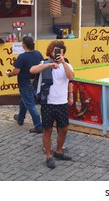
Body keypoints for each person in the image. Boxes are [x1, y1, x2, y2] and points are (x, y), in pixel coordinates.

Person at [30, 40, 74, 169]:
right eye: (55, 51)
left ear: (63, 53)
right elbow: (32, 70)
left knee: (64, 129)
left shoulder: (67, 65)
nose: (57, 54)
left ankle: (59, 151)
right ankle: (49, 156)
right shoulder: (45, 63)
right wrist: (48, 65)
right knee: (47, 130)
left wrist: (63, 62)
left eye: (60, 52)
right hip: (48, 103)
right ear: (50, 51)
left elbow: (71, 77)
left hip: (62, 103)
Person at [8, 36, 44, 133]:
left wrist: (9, 74)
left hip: (25, 82)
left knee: (30, 104)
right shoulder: (38, 53)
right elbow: (42, 65)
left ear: (24, 45)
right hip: (35, 82)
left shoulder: (22, 57)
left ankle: (38, 126)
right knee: (24, 100)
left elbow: (16, 71)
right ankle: (20, 118)